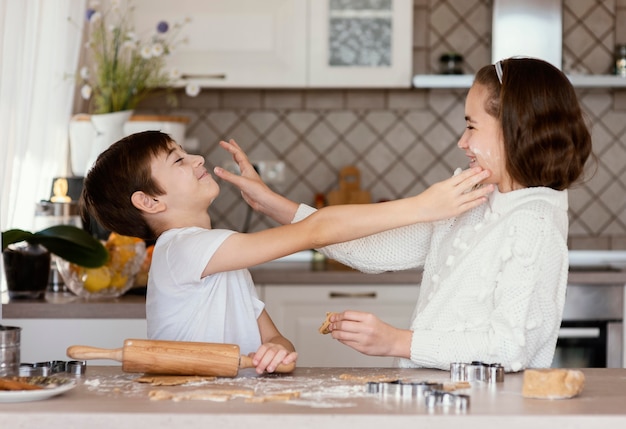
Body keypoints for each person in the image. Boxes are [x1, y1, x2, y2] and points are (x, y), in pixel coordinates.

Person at [215, 57, 593, 372]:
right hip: (442, 400)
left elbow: (508, 348)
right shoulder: (476, 195)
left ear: (514, 130)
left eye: (471, 126)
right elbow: (377, 248)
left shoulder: (534, 224)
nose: (462, 142)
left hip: (491, 413)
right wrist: (273, 204)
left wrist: (396, 342)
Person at [80, 130, 493, 374]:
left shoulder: (222, 257)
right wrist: (422, 206)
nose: (198, 158)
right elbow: (314, 233)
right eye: (179, 160)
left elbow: (274, 338)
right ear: (149, 203)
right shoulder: (182, 250)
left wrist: (278, 350)